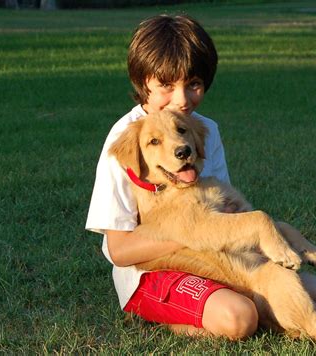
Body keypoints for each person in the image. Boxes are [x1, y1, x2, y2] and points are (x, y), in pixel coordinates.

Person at [86, 15, 258, 340]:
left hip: (209, 257)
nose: (181, 100)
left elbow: (222, 205)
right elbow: (120, 250)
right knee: (241, 317)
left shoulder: (204, 129)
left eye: (193, 84)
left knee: (275, 290)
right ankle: (162, 315)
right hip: (151, 272)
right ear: (143, 82)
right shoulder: (125, 140)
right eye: (166, 85)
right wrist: (195, 231)